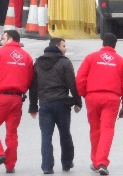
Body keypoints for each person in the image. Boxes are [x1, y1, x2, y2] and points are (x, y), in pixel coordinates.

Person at [76, 33, 123, 176]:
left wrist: (85, 94)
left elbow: (80, 78)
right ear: (115, 44)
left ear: (103, 43)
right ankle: (102, 162)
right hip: (111, 98)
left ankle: (95, 161)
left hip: (93, 96)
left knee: (95, 129)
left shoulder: (91, 58)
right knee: (107, 129)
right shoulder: (121, 62)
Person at [0, 30, 34, 173]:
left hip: (0, 96)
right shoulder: (27, 57)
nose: (1, 41)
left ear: (10, 39)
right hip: (17, 99)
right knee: (12, 131)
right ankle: (10, 165)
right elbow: (30, 79)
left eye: (3, 38)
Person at [28, 38, 82, 174]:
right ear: (57, 47)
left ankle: (47, 167)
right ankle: (67, 163)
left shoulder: (38, 63)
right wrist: (77, 101)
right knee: (65, 134)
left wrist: (33, 107)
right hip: (62, 104)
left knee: (46, 136)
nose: (66, 48)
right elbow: (72, 84)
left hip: (45, 105)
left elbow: (33, 86)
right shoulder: (64, 62)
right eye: (64, 46)